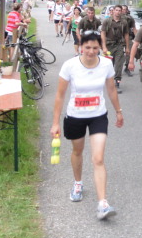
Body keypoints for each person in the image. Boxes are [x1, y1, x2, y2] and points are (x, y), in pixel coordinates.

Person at [51, 31, 124, 220]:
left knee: (98, 158)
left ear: (100, 47)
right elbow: (60, 95)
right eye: (88, 47)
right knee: (77, 151)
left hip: (98, 116)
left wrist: (118, 111)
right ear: (81, 47)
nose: (91, 51)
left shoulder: (106, 64)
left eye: (95, 48)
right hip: (75, 116)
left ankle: (103, 204)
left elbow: (111, 89)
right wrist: (55, 123)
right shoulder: (70, 66)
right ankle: (78, 183)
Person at [101, 5, 130, 94]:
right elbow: (103, 33)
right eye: (116, 10)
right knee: (109, 65)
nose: (117, 12)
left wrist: (127, 47)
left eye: (119, 10)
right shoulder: (107, 21)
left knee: (118, 65)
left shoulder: (124, 22)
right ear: (113, 11)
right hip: (109, 45)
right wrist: (104, 47)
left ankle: (117, 83)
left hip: (119, 45)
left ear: (121, 12)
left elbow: (126, 34)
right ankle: (107, 81)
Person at [122, 5, 136, 77]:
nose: (123, 11)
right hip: (119, 38)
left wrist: (137, 39)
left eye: (125, 9)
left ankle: (127, 67)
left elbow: (134, 28)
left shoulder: (130, 18)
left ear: (127, 10)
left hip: (129, 37)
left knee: (129, 52)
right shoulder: (116, 18)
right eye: (122, 9)